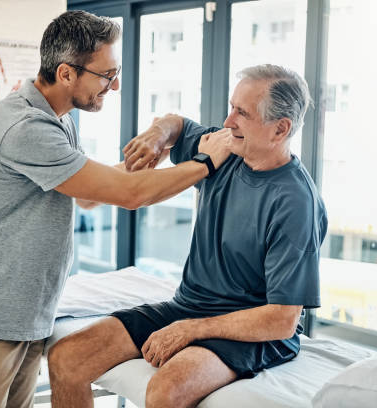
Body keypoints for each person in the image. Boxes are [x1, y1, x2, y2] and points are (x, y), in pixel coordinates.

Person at [0, 10, 231, 408]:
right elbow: (130, 196)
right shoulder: (25, 128)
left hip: (26, 311)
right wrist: (206, 163)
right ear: (67, 73)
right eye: (106, 75)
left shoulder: (59, 118)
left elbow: (88, 194)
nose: (115, 83)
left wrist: (150, 159)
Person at [47, 64, 328, 408]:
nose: (228, 122)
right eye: (231, 107)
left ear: (279, 129)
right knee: (66, 358)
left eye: (242, 113)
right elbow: (177, 125)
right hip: (189, 307)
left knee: (166, 391)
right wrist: (157, 132)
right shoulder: (227, 149)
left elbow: (282, 320)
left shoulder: (295, 202)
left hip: (252, 330)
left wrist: (191, 330)